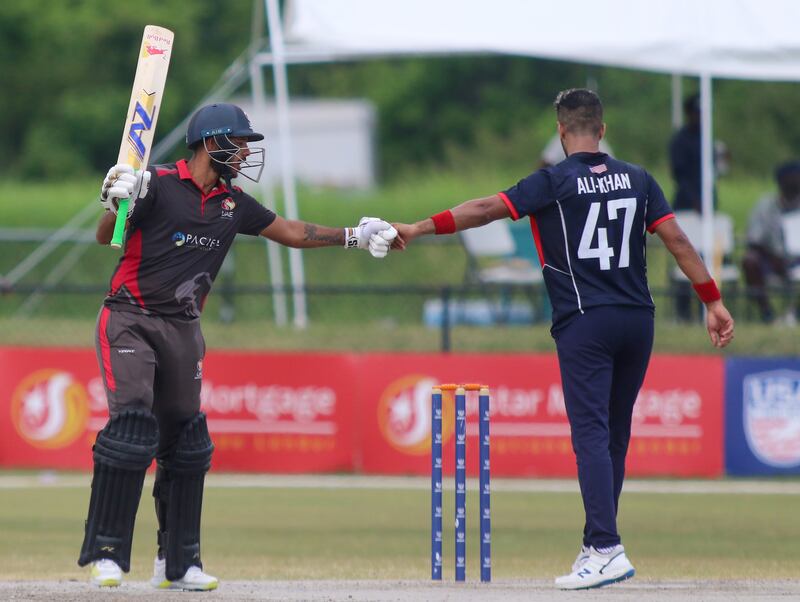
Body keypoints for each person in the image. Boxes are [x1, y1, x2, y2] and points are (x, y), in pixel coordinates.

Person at [391, 89, 734, 590]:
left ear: (560, 131)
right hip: (638, 319)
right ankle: (600, 543)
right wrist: (713, 302)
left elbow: (487, 208)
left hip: (585, 319)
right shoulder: (638, 178)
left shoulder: (554, 180)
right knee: (615, 434)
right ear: (602, 127)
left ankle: (603, 546)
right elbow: (678, 239)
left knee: (591, 433)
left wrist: (420, 227)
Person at [77, 103, 398, 590]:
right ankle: (106, 553)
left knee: (186, 441)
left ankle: (177, 563)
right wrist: (114, 200)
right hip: (130, 319)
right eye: (240, 142)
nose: (247, 152)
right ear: (212, 143)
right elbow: (108, 237)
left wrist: (355, 236)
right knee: (132, 425)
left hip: (184, 327)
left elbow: (291, 232)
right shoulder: (157, 183)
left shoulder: (234, 202)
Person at [742, 160, 800, 323]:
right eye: (793, 178)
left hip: (797, 259)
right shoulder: (765, 206)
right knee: (750, 260)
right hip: (771, 259)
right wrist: (775, 257)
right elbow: (754, 241)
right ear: (782, 181)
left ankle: (796, 313)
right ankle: (767, 313)